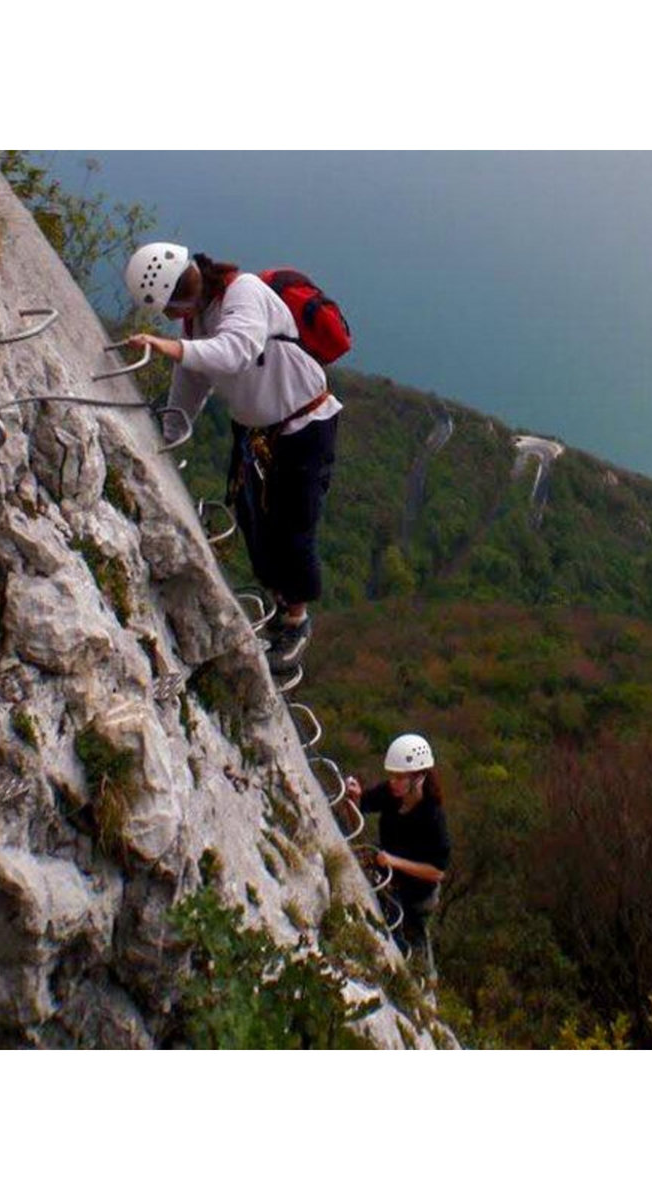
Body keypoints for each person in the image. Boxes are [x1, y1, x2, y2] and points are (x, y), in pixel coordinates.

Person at [123, 242, 340, 673]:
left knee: (293, 528)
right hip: (259, 430)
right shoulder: (198, 318)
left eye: (169, 304)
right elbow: (193, 379)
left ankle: (296, 621)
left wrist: (172, 347)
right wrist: (170, 430)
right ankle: (280, 604)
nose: (170, 315)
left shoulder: (242, 293)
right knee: (254, 520)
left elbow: (236, 350)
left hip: (305, 425)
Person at [344, 733, 451, 984]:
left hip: (418, 896)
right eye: (392, 774)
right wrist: (353, 796)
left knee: (414, 947)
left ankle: (424, 990)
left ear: (418, 777)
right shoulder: (391, 793)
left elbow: (437, 872)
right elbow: (361, 808)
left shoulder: (433, 817)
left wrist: (394, 861)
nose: (393, 781)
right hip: (391, 879)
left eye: (400, 777)